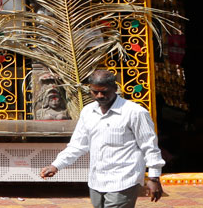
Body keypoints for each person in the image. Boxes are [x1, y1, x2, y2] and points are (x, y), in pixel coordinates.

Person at [40, 70, 164, 208]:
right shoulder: (88, 112)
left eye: (104, 92)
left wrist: (154, 177)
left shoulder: (135, 112)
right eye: (95, 92)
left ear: (115, 89)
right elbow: (78, 145)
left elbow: (150, 147)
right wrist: (56, 165)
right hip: (97, 181)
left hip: (124, 180)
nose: (100, 96)